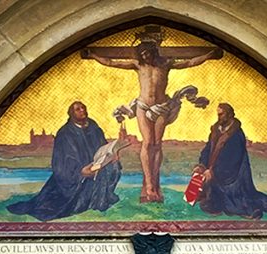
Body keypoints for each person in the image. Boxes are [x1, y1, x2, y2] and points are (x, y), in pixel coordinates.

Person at [87, 28, 219, 203]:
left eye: (147, 53)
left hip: (161, 107)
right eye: (142, 53)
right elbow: (111, 62)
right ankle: (149, 184)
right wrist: (93, 55)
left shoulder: (165, 64)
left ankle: (155, 184)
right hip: (143, 106)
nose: (145, 56)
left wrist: (208, 55)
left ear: (153, 52)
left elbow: (189, 62)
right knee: (148, 142)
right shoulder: (138, 65)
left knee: (157, 144)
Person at [6, 101, 123, 221]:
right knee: (57, 204)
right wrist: (80, 172)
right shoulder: (65, 133)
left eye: (83, 107)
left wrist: (111, 156)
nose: (82, 110)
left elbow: (103, 147)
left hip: (96, 166)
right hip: (73, 176)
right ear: (71, 114)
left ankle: (102, 200)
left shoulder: (94, 128)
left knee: (114, 167)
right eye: (78, 109)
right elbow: (60, 162)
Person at [193, 103, 267, 219]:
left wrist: (213, 172)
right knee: (208, 201)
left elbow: (232, 158)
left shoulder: (236, 134)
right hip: (214, 170)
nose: (219, 117)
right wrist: (202, 165)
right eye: (218, 115)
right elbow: (208, 149)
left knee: (236, 205)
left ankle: (251, 211)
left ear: (229, 115)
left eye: (221, 114)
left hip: (234, 175)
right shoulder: (216, 130)